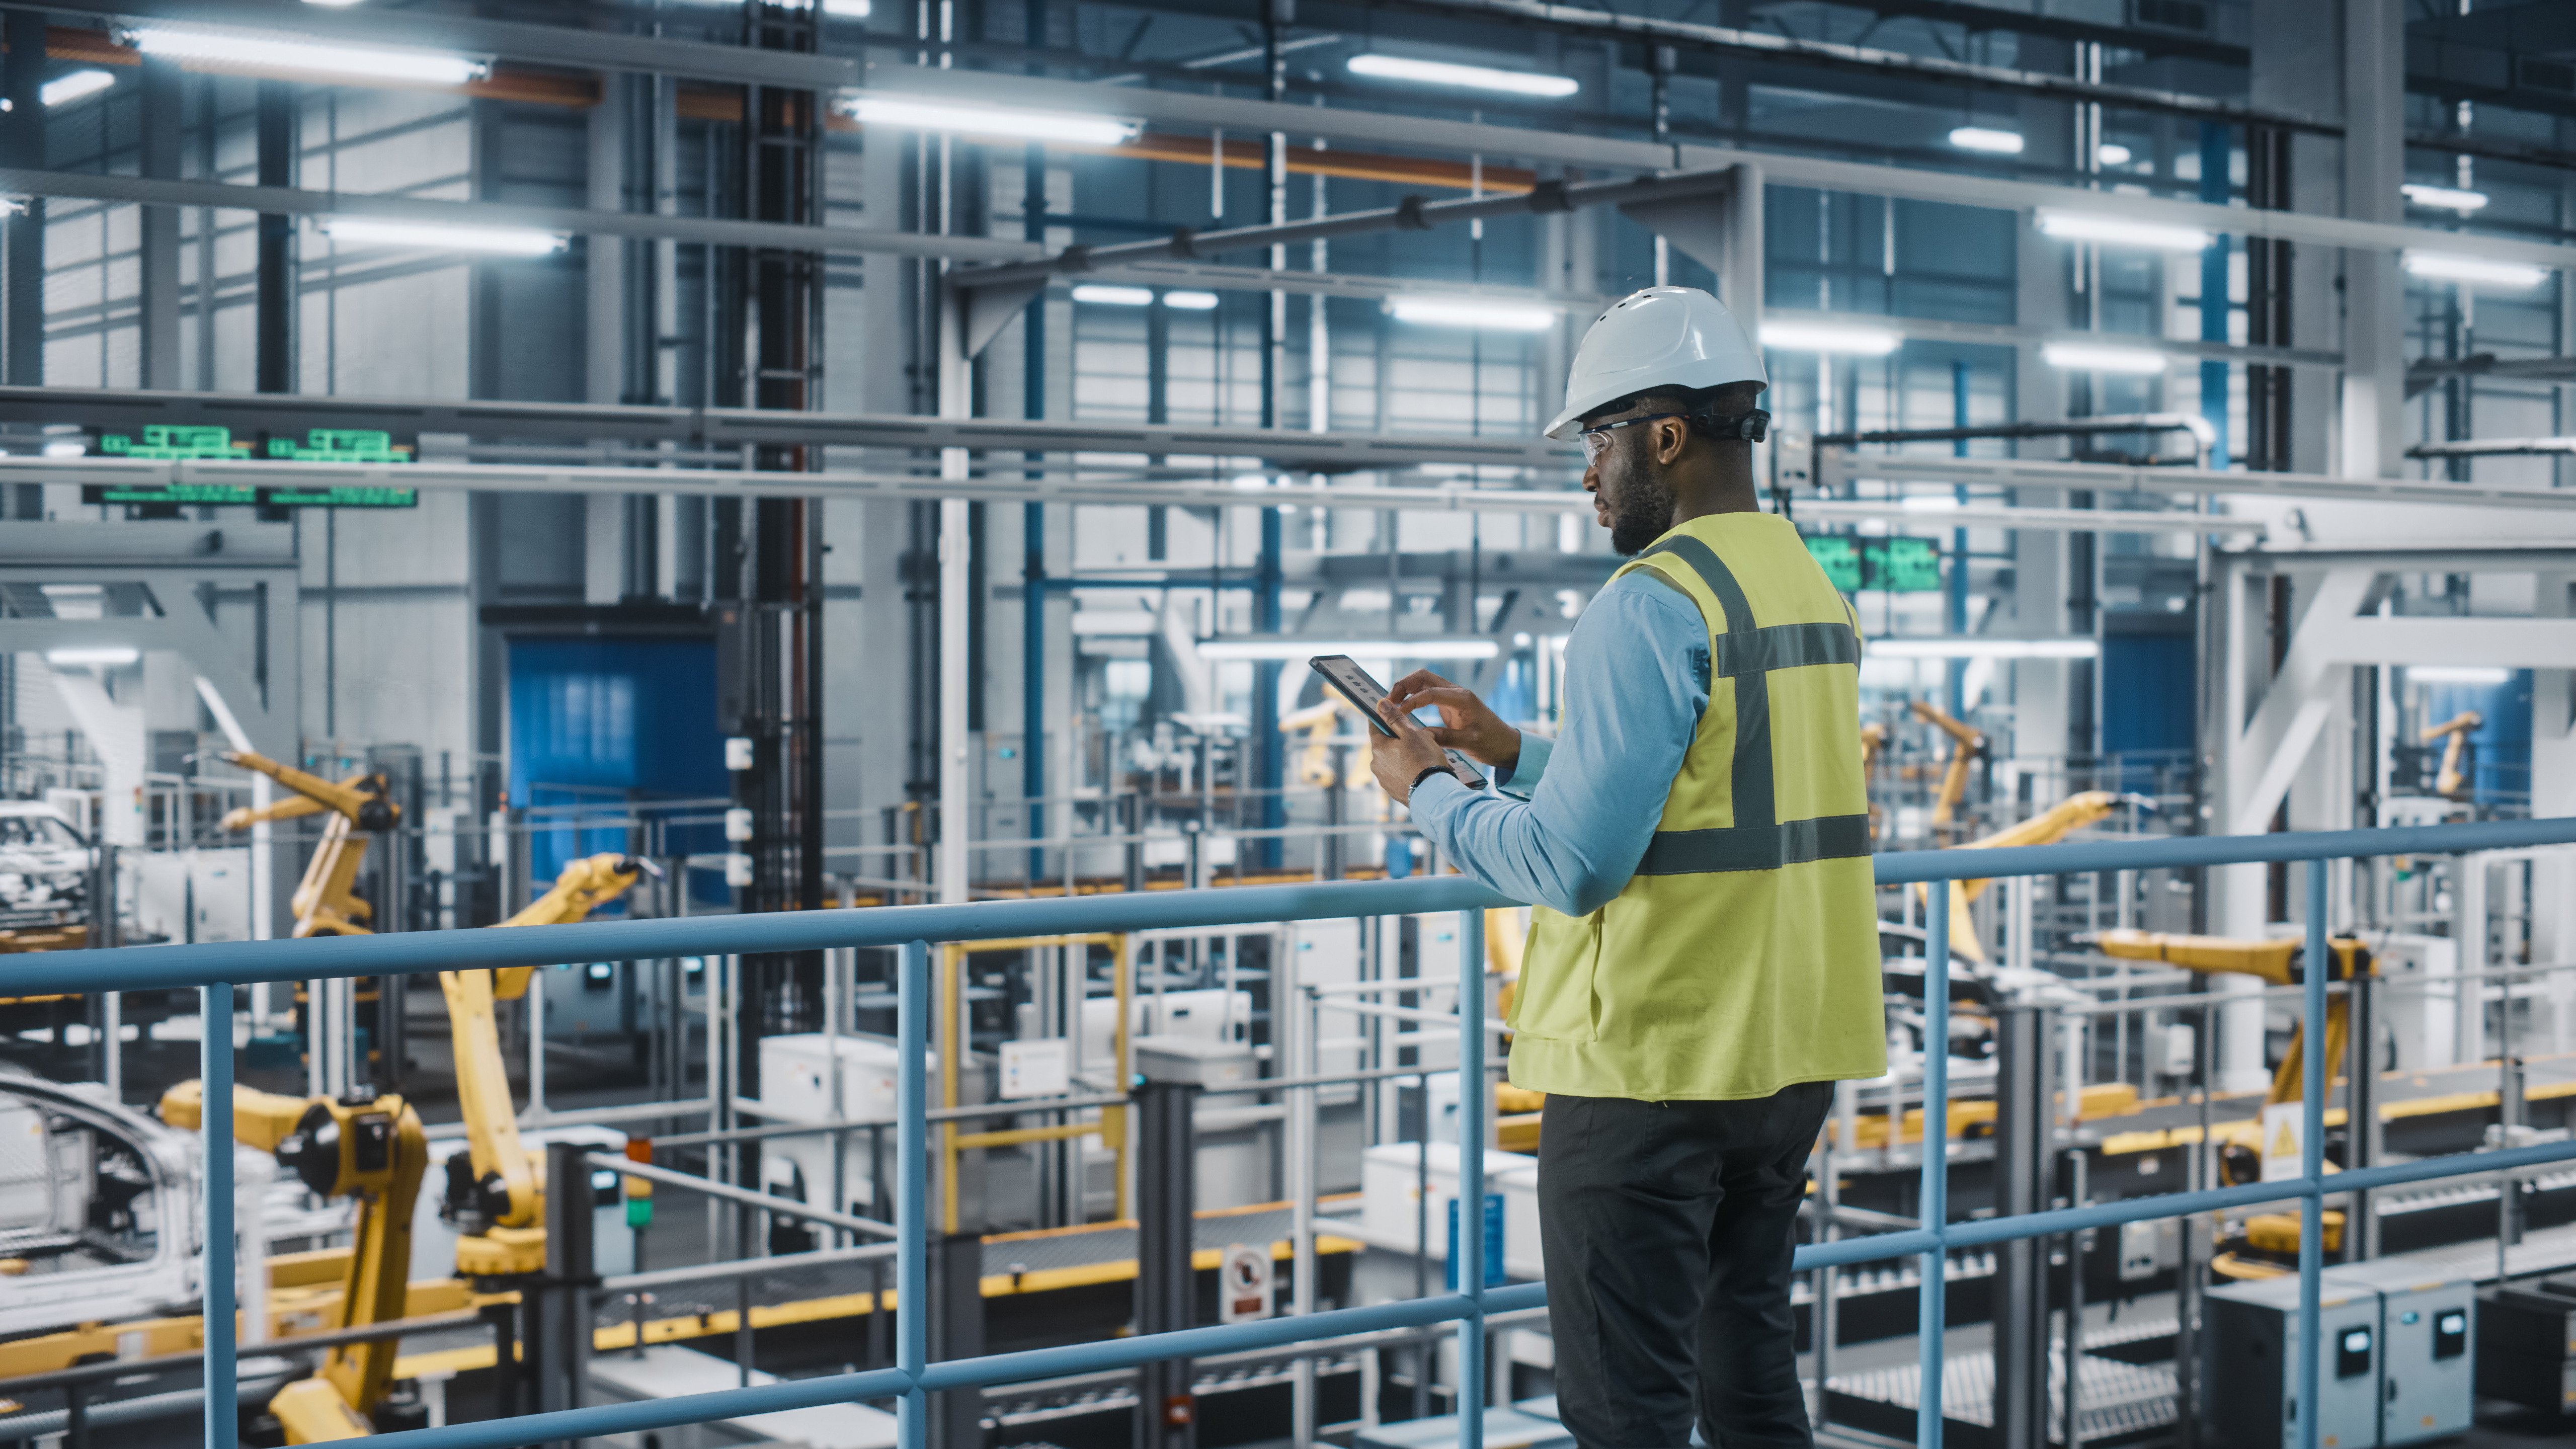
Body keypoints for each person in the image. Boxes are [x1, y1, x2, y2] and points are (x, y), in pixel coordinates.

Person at [1363, 285, 1886, 1449]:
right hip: (1784, 1052)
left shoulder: (1645, 602)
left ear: (1664, 437)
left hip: (1653, 1059)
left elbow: (1571, 865)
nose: (1588, 475)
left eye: (1597, 441)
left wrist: (1434, 792)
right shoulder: (1806, 586)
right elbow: (1723, 785)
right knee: (1744, 1366)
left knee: (1623, 1407)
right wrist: (1520, 750)